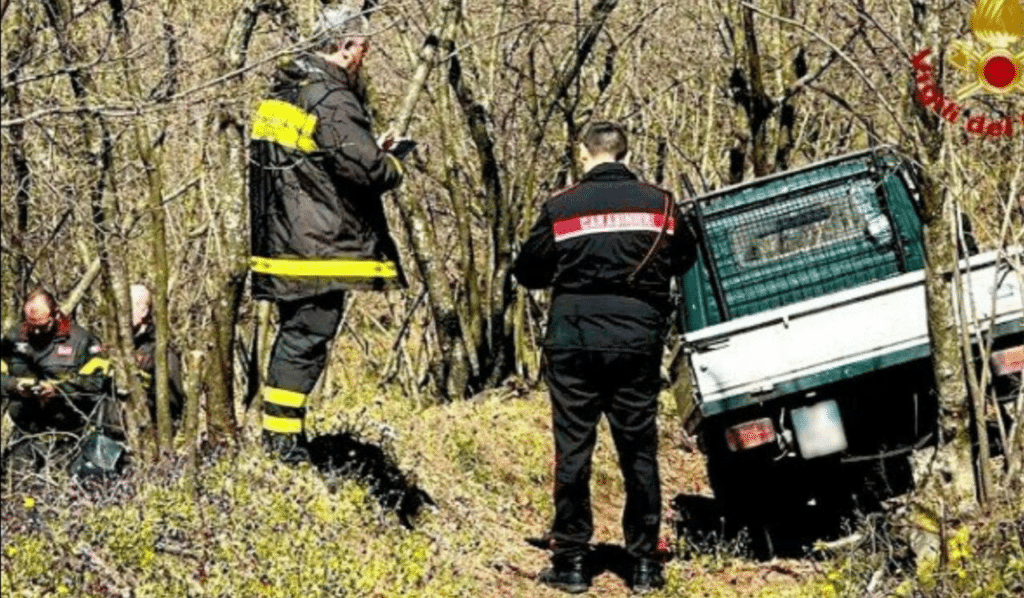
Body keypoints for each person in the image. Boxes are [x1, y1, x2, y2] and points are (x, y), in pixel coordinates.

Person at [512, 122, 698, 594]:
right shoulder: (661, 203)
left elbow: (528, 271)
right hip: (637, 338)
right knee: (638, 450)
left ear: (584, 153)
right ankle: (644, 565)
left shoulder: (562, 205)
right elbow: (686, 257)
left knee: (573, 448)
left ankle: (571, 561)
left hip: (573, 336)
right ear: (626, 153)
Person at [248, 4, 407, 463]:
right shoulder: (330, 97)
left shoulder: (286, 92)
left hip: (285, 239)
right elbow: (365, 169)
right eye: (362, 49)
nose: (363, 59)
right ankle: (283, 447)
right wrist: (392, 163)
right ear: (345, 46)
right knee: (306, 339)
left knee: (295, 337)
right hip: (319, 244)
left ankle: (283, 440)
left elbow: (317, 160)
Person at [0, 288, 116, 473]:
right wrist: (14, 386)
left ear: (56, 314)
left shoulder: (81, 340)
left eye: (42, 326)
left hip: (67, 440)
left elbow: (98, 383)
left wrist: (60, 390)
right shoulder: (13, 338)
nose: (37, 332)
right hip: (24, 438)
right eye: (31, 325)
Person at [129, 284, 185, 428]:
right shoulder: (116, 347)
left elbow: (172, 404)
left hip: (144, 435)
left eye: (130, 306)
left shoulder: (161, 351)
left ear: (144, 311)